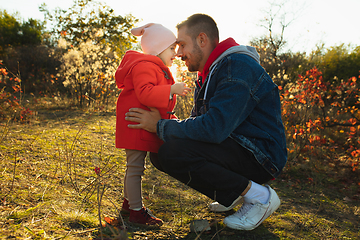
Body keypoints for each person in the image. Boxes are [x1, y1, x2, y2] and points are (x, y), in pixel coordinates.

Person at [125, 14, 287, 231]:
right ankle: (235, 194)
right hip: (237, 146)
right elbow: (197, 125)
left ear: (202, 40)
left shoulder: (237, 66)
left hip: (261, 155)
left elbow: (213, 128)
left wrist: (159, 126)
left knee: (172, 151)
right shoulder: (210, 72)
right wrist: (163, 123)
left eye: (182, 45)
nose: (179, 52)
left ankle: (260, 197)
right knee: (162, 148)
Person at [115, 23, 191, 227]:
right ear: (159, 48)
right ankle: (137, 212)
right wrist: (171, 89)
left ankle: (128, 205)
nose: (175, 53)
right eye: (171, 48)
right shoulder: (145, 66)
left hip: (140, 125)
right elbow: (145, 93)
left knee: (135, 168)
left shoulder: (153, 67)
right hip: (135, 126)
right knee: (135, 168)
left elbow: (154, 102)